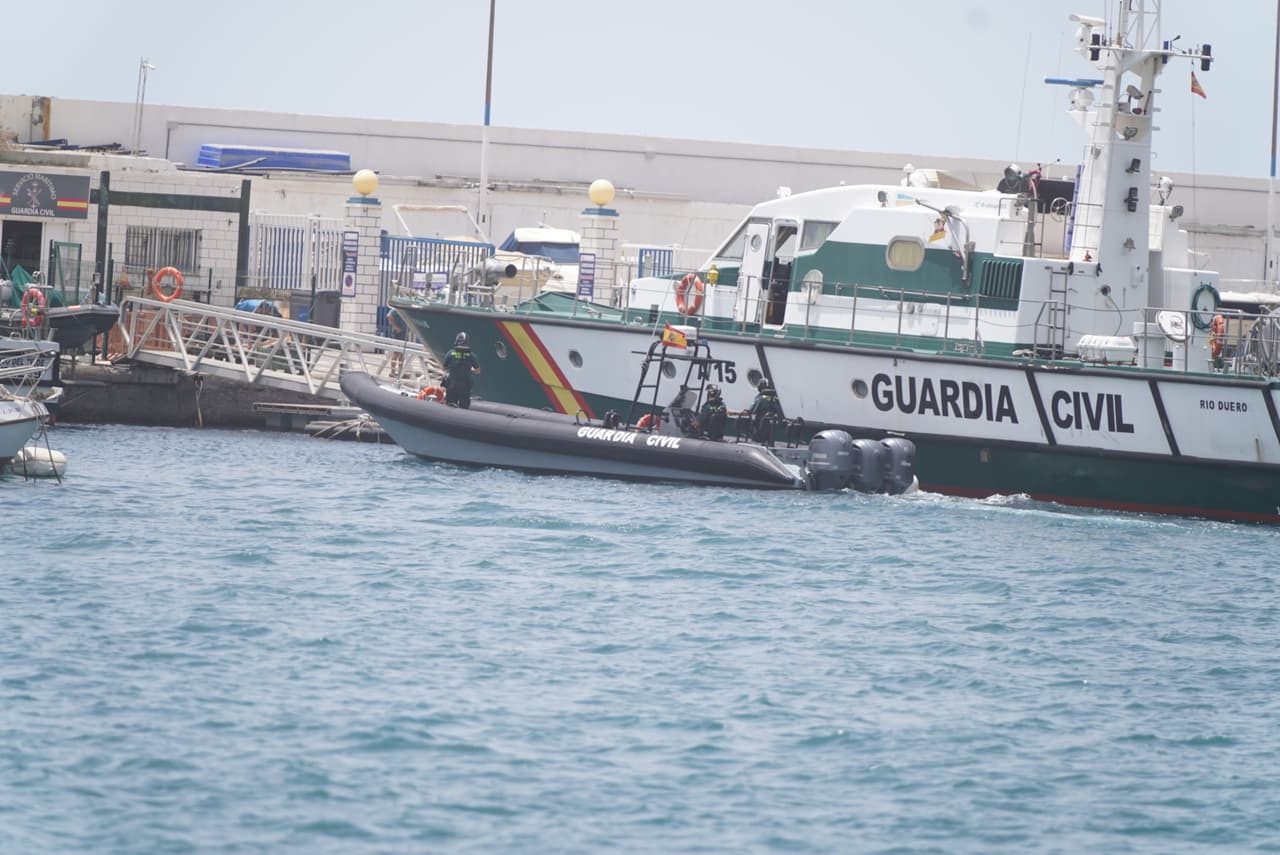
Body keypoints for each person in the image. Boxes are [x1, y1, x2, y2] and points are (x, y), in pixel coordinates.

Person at [441, 331, 481, 408]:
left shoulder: (450, 353)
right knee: (464, 408)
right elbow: (478, 371)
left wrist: (452, 367)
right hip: (465, 387)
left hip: (452, 385)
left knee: (450, 407)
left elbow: (444, 368)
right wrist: (470, 370)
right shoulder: (471, 355)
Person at [748, 378, 784, 444]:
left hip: (760, 424)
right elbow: (778, 411)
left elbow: (753, 410)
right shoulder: (774, 398)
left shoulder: (761, 398)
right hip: (771, 427)